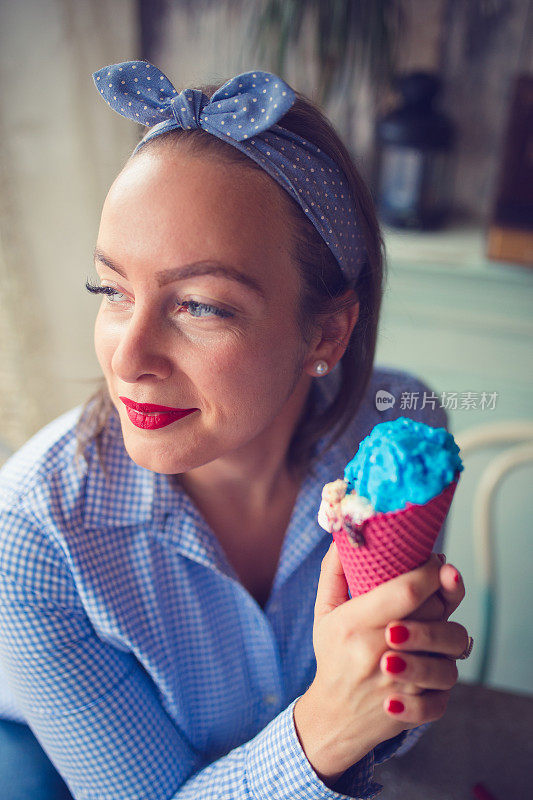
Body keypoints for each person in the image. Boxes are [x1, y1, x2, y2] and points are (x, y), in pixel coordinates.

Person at [0, 62, 472, 800]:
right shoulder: (30, 540)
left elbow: (389, 722)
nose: (127, 359)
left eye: (200, 306)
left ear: (327, 330)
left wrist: (388, 684)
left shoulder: (399, 435)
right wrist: (323, 729)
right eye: (111, 291)